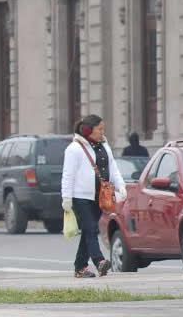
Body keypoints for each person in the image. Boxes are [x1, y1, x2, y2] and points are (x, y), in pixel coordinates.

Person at [61, 115, 127, 278]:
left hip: (101, 196)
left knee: (87, 232)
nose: (103, 132)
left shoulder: (105, 146)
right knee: (91, 228)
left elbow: (113, 168)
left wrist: (121, 186)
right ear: (88, 130)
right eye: (100, 129)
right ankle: (99, 261)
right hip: (80, 196)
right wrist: (67, 198)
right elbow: (68, 175)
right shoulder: (74, 149)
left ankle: (80, 267)